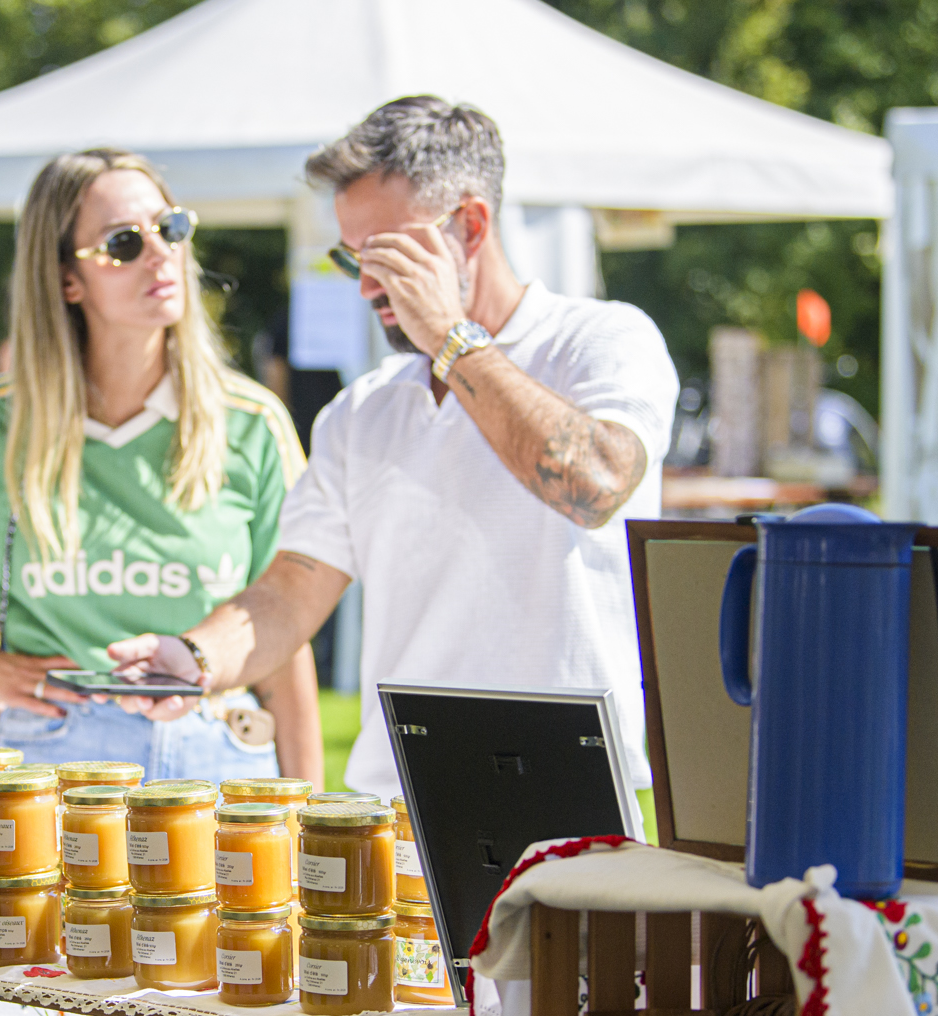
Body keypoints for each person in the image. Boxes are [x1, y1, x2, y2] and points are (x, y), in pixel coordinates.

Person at [106, 97, 679, 798]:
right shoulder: (363, 408)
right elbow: (291, 592)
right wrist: (194, 657)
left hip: (567, 791)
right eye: (353, 259)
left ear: (470, 225)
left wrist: (451, 337)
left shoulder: (602, 340)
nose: (368, 286)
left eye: (388, 254)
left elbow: (592, 482)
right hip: (399, 803)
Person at [0, 149, 323, 784]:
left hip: (220, 755)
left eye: (172, 228)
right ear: (67, 281)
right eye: (124, 243)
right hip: (55, 761)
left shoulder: (252, 422)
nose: (160, 254)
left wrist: (306, 810)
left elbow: (285, 634)